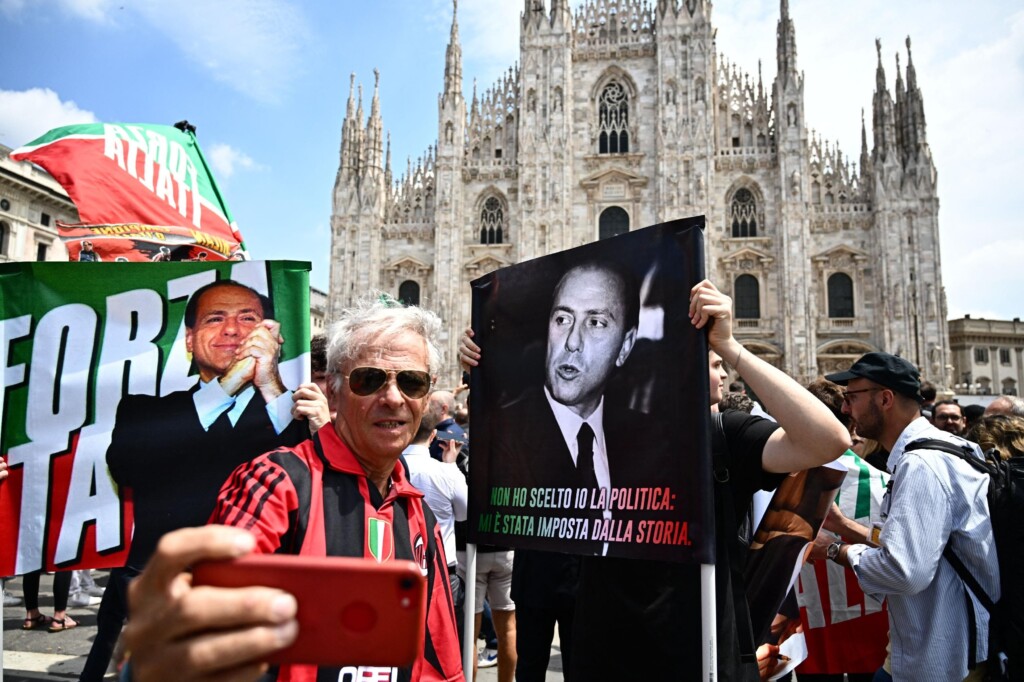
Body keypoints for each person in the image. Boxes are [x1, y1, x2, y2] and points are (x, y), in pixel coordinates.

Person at [461, 279, 851, 680]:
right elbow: (522, 426)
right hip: (606, 650)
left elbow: (829, 440)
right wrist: (489, 363)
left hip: (699, 651)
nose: (723, 375)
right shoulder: (602, 431)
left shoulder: (722, 435)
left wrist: (731, 347)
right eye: (714, 364)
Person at [122, 297, 463, 681]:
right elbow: (204, 637)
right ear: (333, 392)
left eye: (412, 382)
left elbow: (440, 659)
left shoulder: (417, 512)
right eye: (369, 380)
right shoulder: (275, 484)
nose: (393, 398)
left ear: (426, 397)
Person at [80, 280, 311, 682]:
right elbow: (128, 467)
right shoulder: (144, 412)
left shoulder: (298, 416)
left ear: (274, 338)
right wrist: (228, 386)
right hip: (160, 609)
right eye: (215, 319)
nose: (232, 330)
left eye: (248, 319)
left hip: (260, 617)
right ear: (189, 340)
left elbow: (316, 485)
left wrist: (270, 384)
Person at [812, 352, 999, 681]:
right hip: (940, 645)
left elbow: (904, 570)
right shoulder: (946, 447)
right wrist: (846, 527)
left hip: (940, 656)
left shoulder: (922, 464)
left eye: (852, 398)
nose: (845, 409)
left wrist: (832, 548)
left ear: (885, 399)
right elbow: (924, 542)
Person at [402, 404, 469, 653]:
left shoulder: (387, 467)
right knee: (445, 648)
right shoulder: (446, 473)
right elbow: (464, 515)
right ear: (432, 435)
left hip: (400, 569)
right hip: (441, 570)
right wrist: (451, 468)